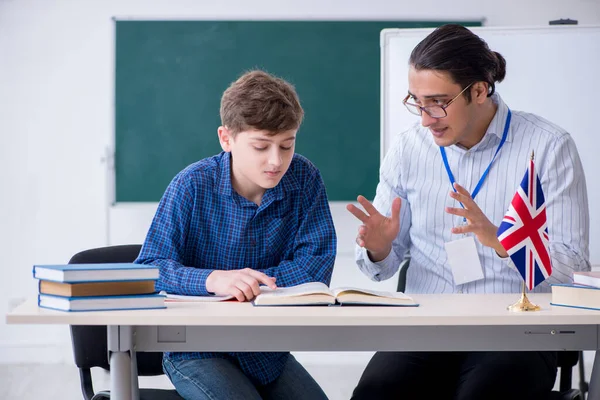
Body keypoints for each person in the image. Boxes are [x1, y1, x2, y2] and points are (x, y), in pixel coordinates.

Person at [347, 24, 590, 400]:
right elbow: (383, 266)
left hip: (518, 330)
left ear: (479, 90)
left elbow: (574, 269)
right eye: (416, 101)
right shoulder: (408, 148)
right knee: (377, 392)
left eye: (438, 102)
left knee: (484, 394)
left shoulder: (549, 147)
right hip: (427, 328)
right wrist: (379, 247)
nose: (426, 118)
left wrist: (504, 242)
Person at [136, 70, 336, 400]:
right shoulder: (191, 186)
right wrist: (213, 280)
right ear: (226, 139)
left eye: (287, 145)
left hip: (266, 352)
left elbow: (315, 268)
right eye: (261, 146)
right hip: (197, 350)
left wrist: (249, 283)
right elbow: (147, 270)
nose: (276, 161)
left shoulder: (305, 179)